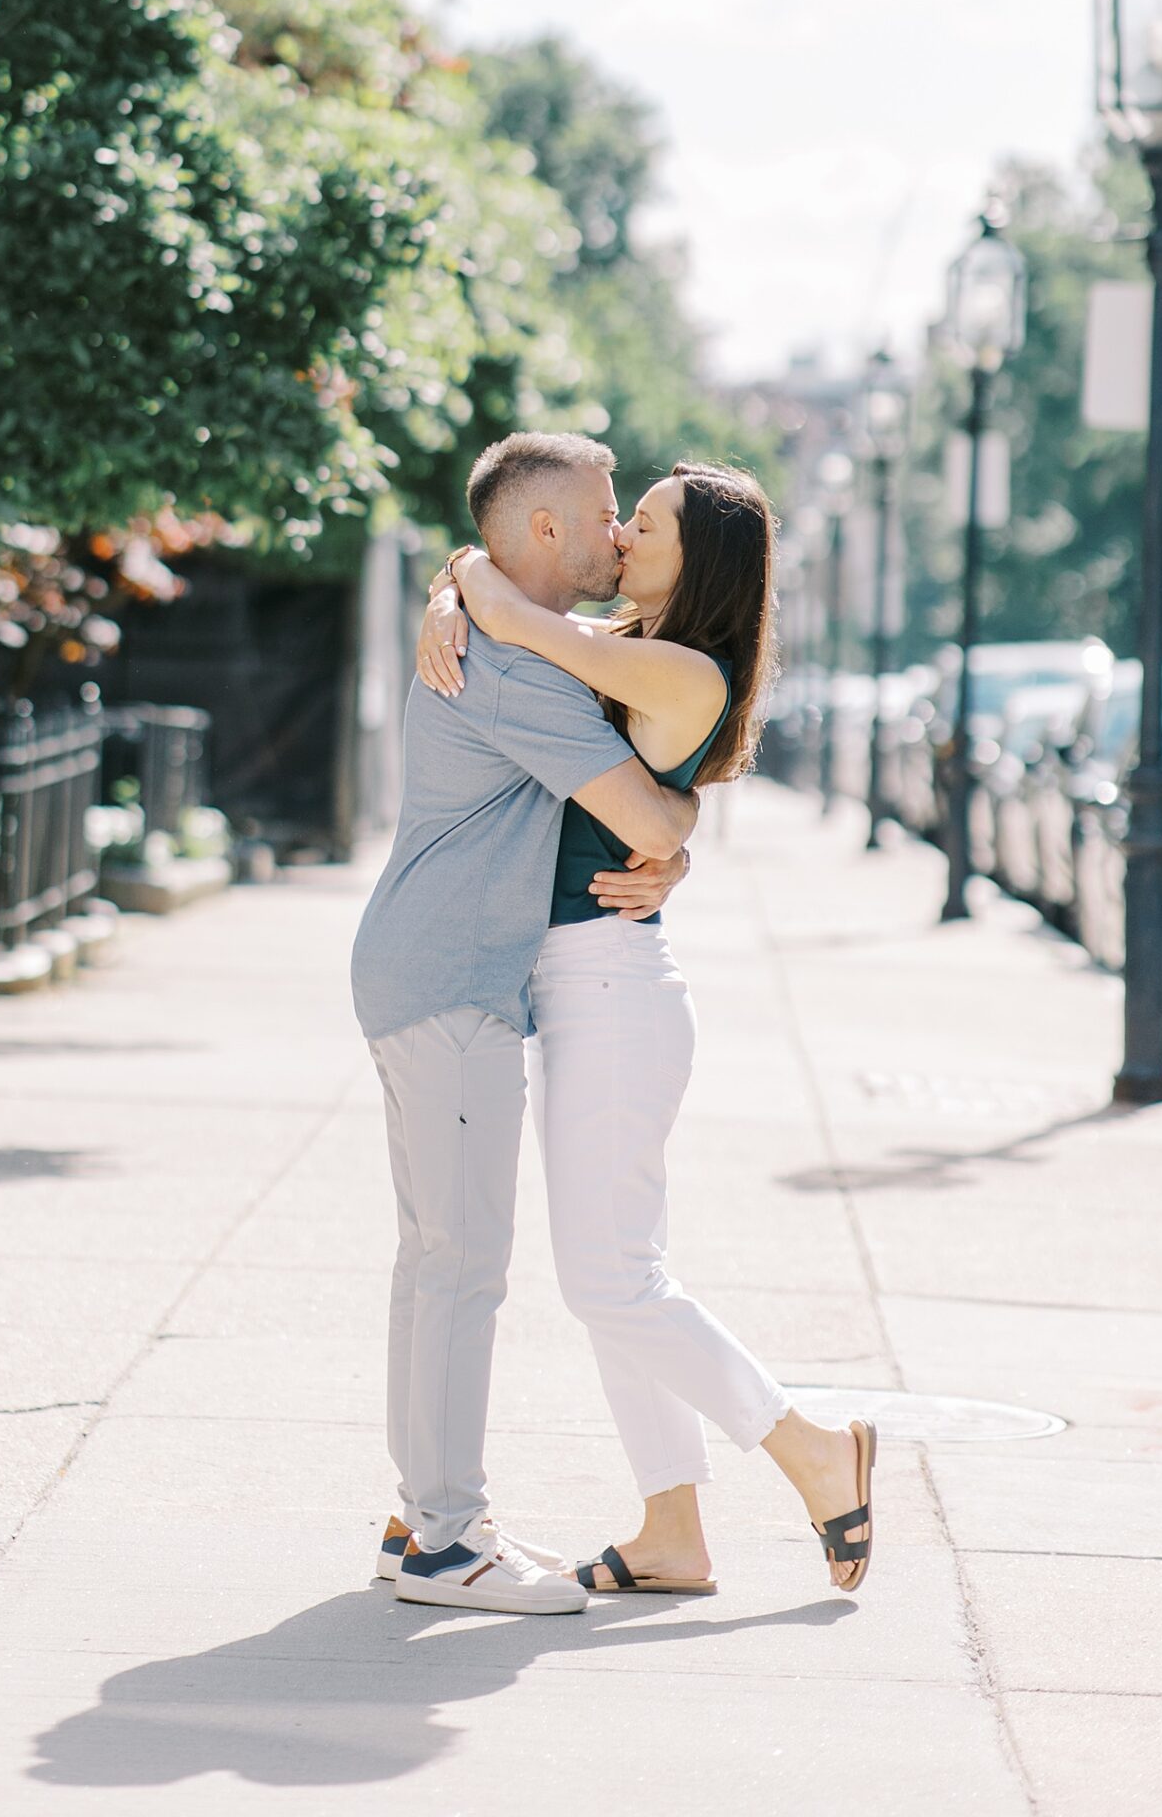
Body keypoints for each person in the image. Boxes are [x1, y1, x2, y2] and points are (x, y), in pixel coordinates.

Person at [417, 461, 874, 1598]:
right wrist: (455, 586)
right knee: (622, 1272)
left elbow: (519, 617)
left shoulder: (676, 667)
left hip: (610, 990)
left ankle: (812, 1447)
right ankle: (673, 1528)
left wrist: (465, 570)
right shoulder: (638, 642)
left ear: (697, 558)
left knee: (609, 1280)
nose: (621, 534)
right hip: (584, 987)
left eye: (649, 525)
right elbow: (525, 628)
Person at [350, 432, 705, 1616]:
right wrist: (682, 839)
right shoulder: (518, 672)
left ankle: (421, 1519)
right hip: (453, 983)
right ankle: (449, 1542)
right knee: (462, 1264)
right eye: (606, 514)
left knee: (435, 1260)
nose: (617, 535)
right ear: (544, 531)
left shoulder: (501, 636)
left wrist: (465, 578)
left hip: (427, 973)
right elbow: (642, 821)